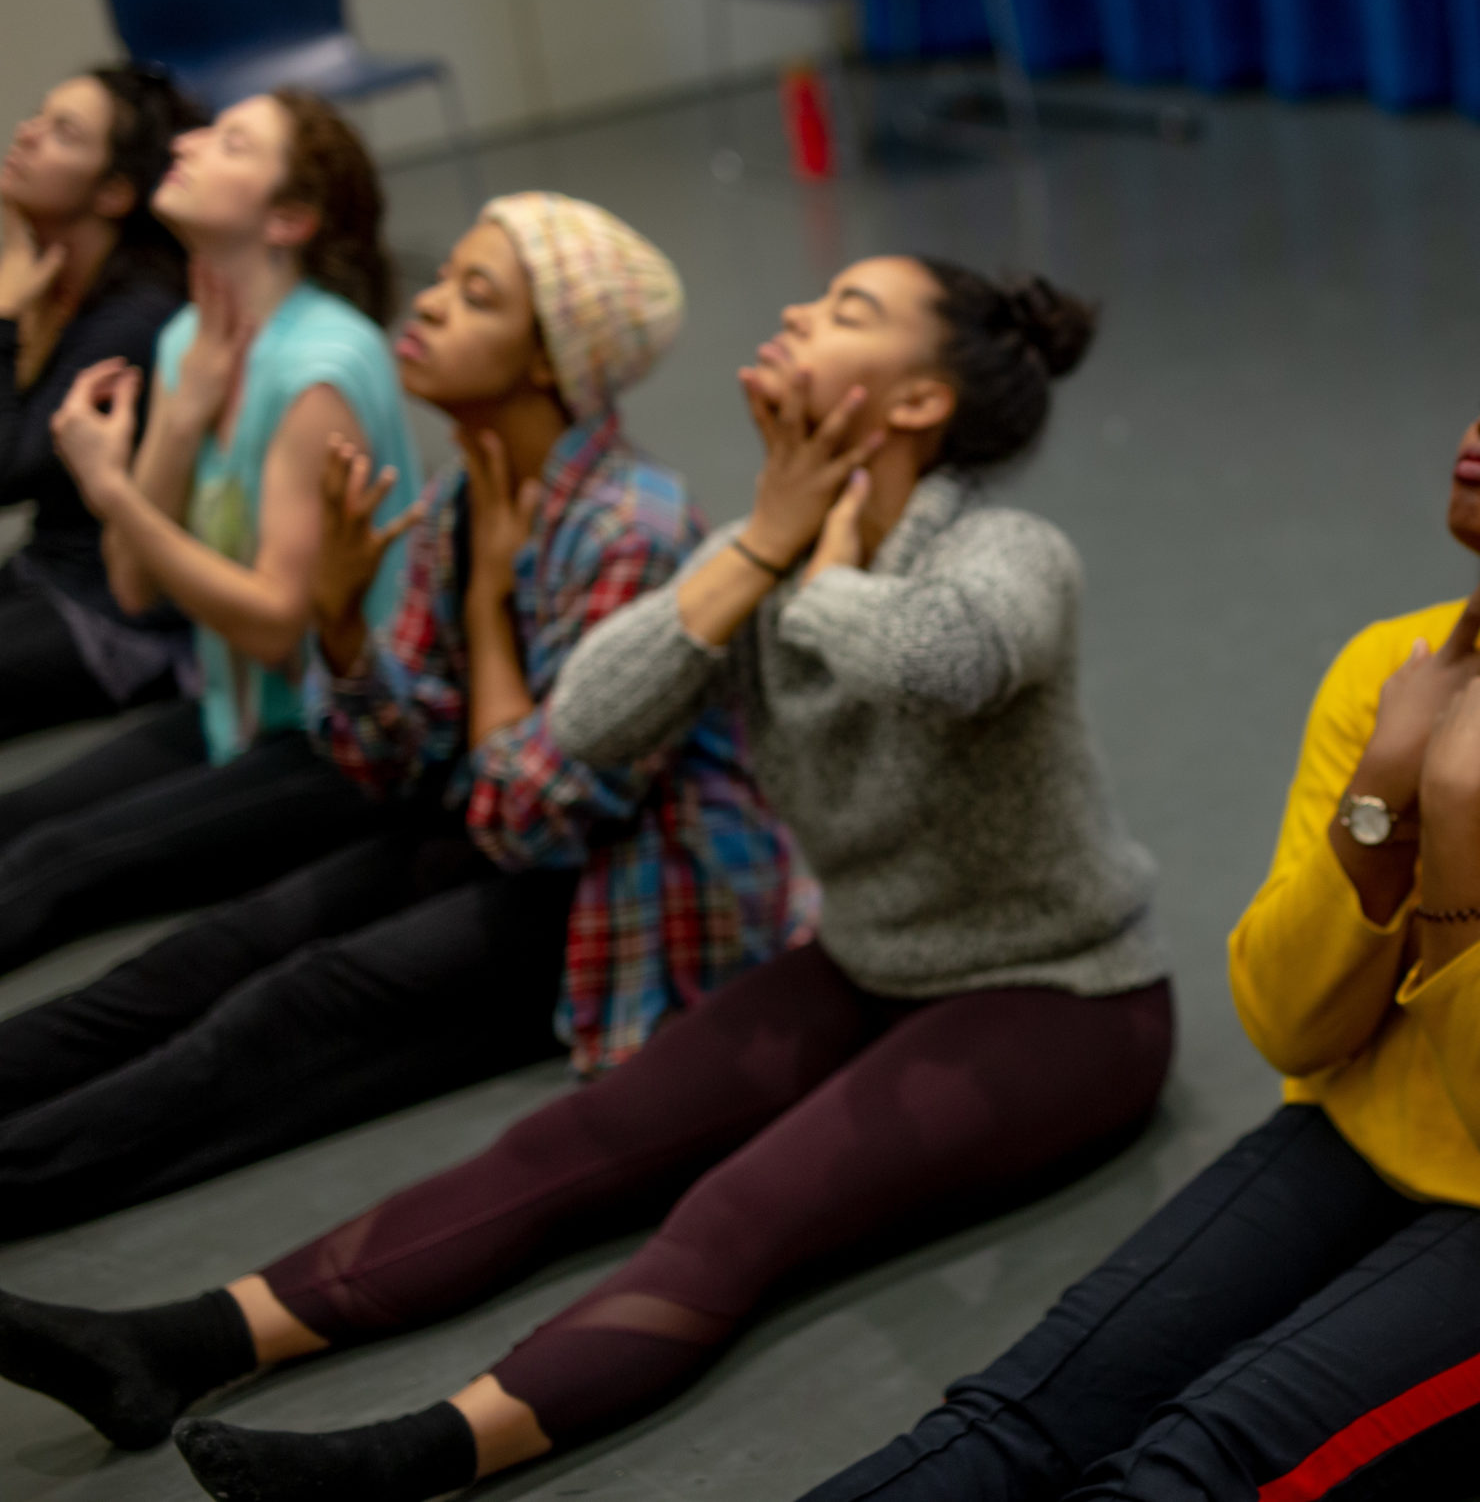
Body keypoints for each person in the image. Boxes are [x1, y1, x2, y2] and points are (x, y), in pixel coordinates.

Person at [0, 253, 1172, 1502]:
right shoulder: (751, 557)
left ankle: (423, 1456)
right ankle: (175, 1344)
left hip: (1060, 993)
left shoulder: (1009, 547)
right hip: (866, 960)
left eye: (845, 311)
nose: (791, 309)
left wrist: (805, 571)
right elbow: (587, 722)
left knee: (741, 1211)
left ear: (919, 403)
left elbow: (942, 659)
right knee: (566, 1146)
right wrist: (767, 549)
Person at [801, 279, 1480, 1501]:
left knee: (1195, 1467)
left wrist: (1457, 817)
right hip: (1375, 1126)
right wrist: (1391, 782)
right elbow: (1292, 1022)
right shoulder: (1381, 675)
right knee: (1015, 1418)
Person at [0, 192, 801, 1235]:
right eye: (446, 280)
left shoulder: (630, 532)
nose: (427, 307)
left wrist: (485, 614)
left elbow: (534, 819)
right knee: (206, 955)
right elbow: (392, 759)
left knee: (287, 1012)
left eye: (478, 299)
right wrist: (341, 627)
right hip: (486, 829)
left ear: (553, 359)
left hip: (609, 893)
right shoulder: (468, 493)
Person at [0, 88, 418, 976]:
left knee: (56, 866)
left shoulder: (318, 369)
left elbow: (277, 623)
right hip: (234, 710)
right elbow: (132, 583)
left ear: (289, 217)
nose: (188, 142)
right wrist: (181, 422)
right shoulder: (194, 334)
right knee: (17, 821)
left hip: (331, 740)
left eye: (231, 144)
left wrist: (114, 489)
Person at [0, 64, 203, 738]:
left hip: (116, 618)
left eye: (64, 132)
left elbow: (10, 473)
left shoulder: (135, 317)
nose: (27, 134)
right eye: (40, 116)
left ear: (115, 192)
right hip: (48, 568)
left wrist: (3, 319)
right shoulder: (53, 279)